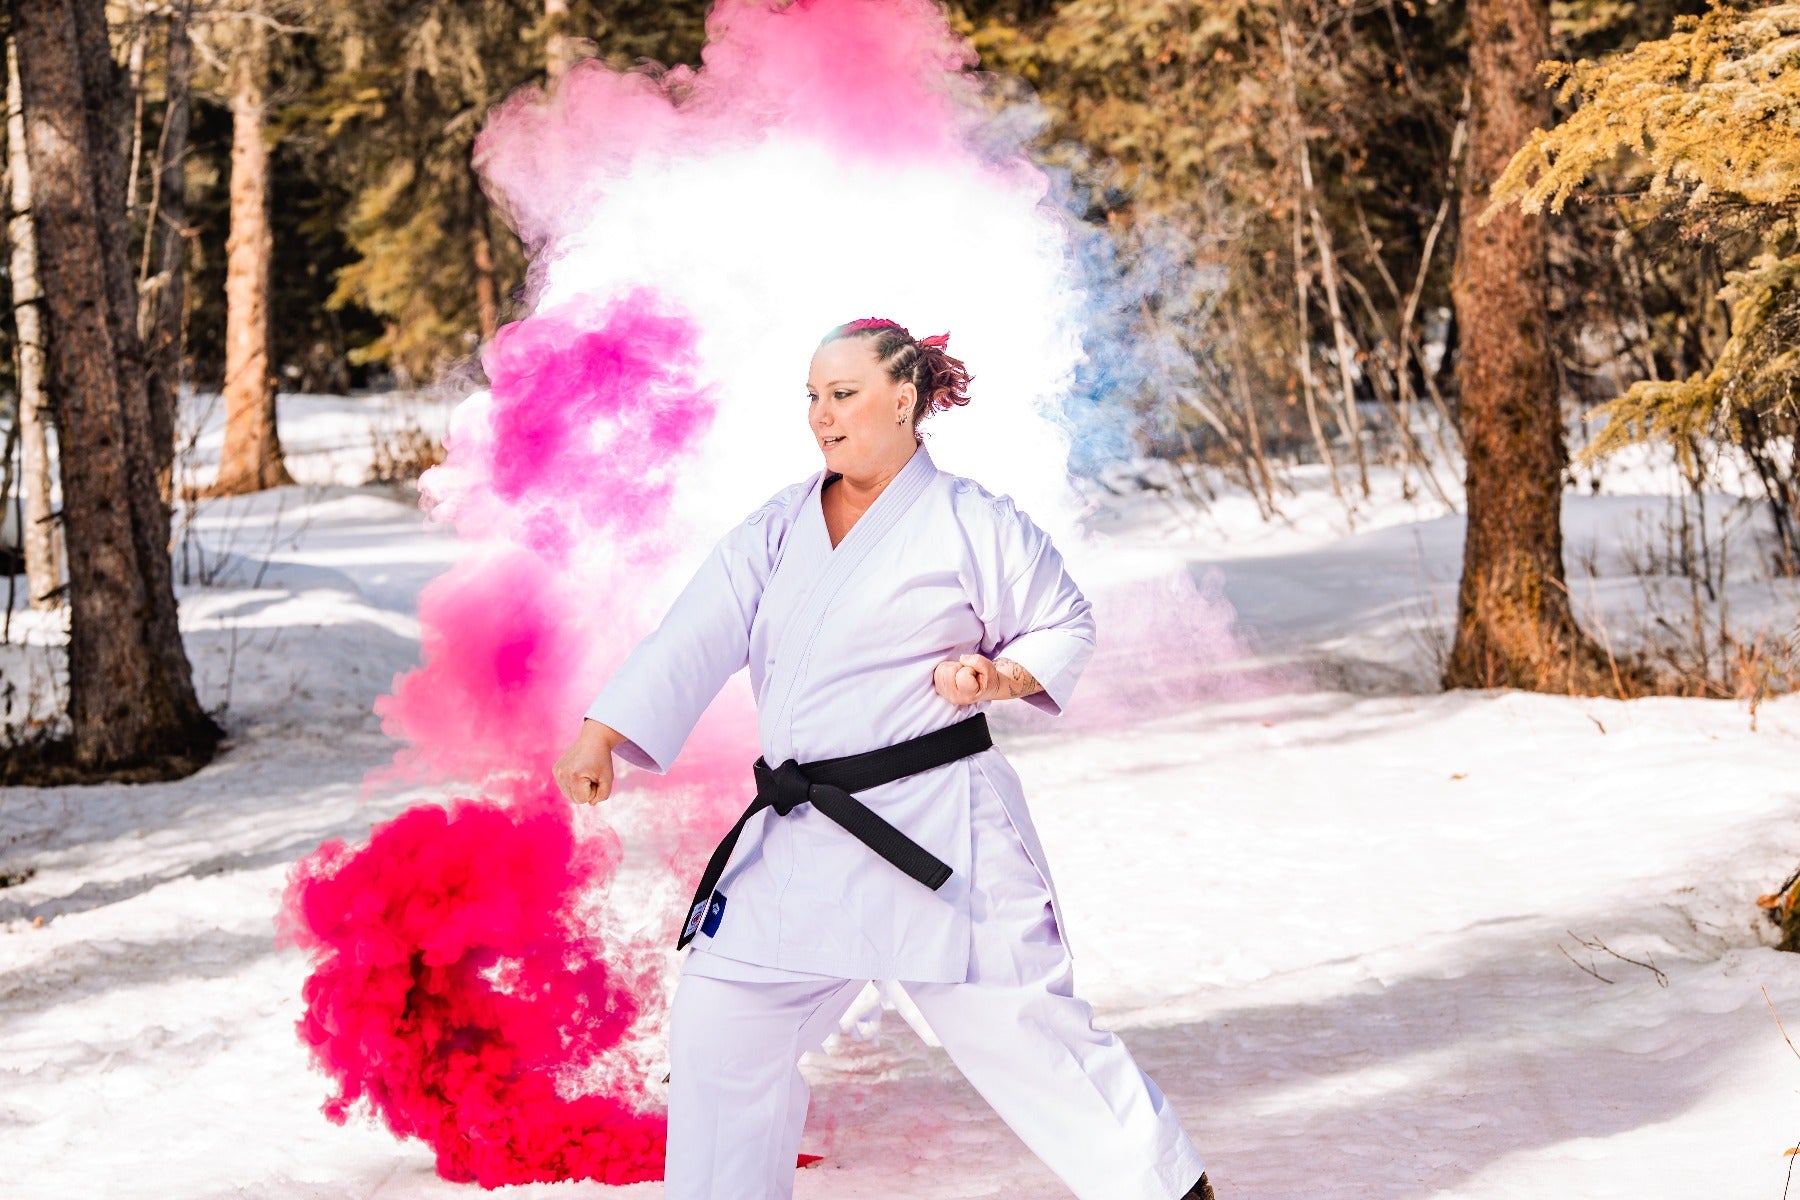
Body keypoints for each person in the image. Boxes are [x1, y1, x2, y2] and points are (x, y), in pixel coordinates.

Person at [552, 318, 1215, 1200]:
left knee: (1026, 1035)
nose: (822, 417)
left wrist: (1002, 673)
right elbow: (696, 629)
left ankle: (1166, 1192)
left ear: (904, 401)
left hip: (936, 832)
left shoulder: (970, 520)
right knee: (723, 1023)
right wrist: (605, 730)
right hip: (803, 834)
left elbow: (1065, 619)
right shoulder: (780, 525)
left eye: (843, 394)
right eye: (813, 398)